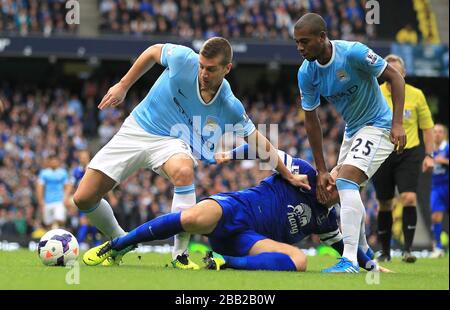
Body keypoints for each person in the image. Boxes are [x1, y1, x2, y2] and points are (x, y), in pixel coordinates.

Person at [76, 37, 308, 269]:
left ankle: (180, 256)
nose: (203, 73)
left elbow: (259, 142)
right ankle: (120, 241)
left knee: (184, 171)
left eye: (211, 69)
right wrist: (123, 85)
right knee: (83, 198)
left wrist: (287, 174)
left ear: (227, 69)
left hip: (172, 142)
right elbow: (152, 51)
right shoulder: (183, 59)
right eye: (202, 66)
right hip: (137, 128)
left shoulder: (229, 105)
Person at [83, 149, 390, 273]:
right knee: (191, 218)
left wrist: (373, 266)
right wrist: (230, 153)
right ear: (327, 173)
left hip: (249, 240)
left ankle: (222, 262)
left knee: (299, 261)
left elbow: (347, 251)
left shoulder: (328, 221)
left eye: (338, 188)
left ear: (344, 197)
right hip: (235, 208)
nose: (330, 187)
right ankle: (118, 245)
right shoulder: (305, 172)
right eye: (332, 179)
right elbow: (266, 150)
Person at [294, 13, 406, 273]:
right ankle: (367, 259)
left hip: (379, 124)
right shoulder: (306, 73)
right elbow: (312, 121)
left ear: (322, 37)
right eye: (296, 43)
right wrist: (321, 169)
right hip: (353, 130)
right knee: (333, 194)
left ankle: (349, 261)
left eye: (305, 42)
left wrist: (398, 123)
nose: (300, 48)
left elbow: (396, 78)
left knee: (346, 182)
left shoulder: (353, 53)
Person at [372, 54, 435, 263]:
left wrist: (429, 154)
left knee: (409, 197)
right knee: (384, 203)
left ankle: (408, 250)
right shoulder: (375, 92)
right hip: (381, 151)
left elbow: (427, 127)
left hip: (409, 152)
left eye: (397, 71)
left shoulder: (416, 95)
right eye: (389, 71)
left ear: (404, 74)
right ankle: (385, 252)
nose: (393, 75)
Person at [36, 155, 72, 229]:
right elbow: (39, 187)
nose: (54, 162)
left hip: (59, 200)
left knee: (60, 219)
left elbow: (68, 186)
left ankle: (59, 236)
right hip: (48, 201)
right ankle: (51, 237)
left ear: (58, 162)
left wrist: (66, 198)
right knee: (48, 223)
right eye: (52, 161)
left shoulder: (63, 172)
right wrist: (40, 200)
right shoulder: (44, 173)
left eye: (55, 160)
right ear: (49, 162)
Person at [430, 124, 449, 258]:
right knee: (436, 217)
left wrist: (445, 161)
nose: (437, 134)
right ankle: (438, 248)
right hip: (437, 187)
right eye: (435, 132)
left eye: (440, 132)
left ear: (445, 134)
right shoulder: (430, 151)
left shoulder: (447, 148)